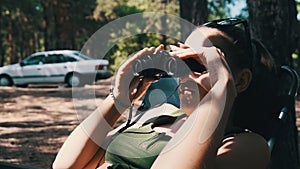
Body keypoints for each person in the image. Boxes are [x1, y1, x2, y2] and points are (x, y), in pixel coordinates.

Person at [52, 18, 279, 169]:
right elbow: (65, 165)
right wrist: (119, 99)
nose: (181, 73)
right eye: (176, 61)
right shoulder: (161, 114)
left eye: (196, 63)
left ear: (239, 80)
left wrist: (221, 88)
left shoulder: (247, 145)